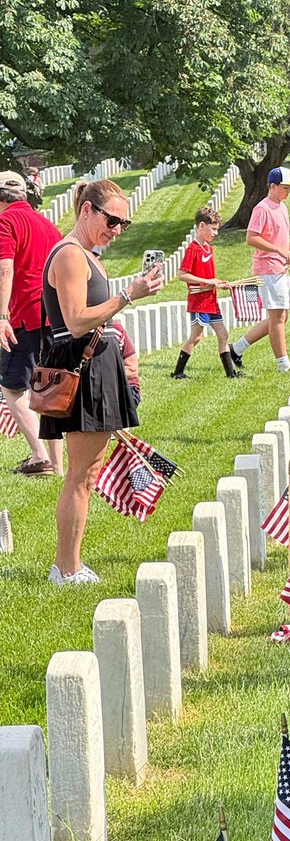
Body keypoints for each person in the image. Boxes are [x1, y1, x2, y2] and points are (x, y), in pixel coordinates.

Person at [39, 178, 163, 585]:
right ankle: (66, 568)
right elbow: (75, 322)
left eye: (124, 224)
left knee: (88, 473)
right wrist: (129, 294)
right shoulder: (71, 255)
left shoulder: (87, 254)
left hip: (95, 366)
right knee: (79, 475)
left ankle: (71, 564)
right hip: (81, 367)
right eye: (112, 219)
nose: (117, 229)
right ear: (87, 210)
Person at [0, 170, 65, 475]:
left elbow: (5, 269)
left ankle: (41, 458)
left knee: (12, 388)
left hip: (25, 315)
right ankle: (58, 463)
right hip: (53, 315)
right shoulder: (47, 225)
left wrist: (2, 316)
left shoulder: (6, 221)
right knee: (47, 391)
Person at [229, 167, 290, 374]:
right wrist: (279, 250)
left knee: (280, 317)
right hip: (268, 268)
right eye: (285, 187)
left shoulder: (282, 208)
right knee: (278, 317)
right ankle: (283, 364)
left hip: (280, 267)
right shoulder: (262, 209)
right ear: (272, 186)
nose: (288, 191)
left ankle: (236, 349)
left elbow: (280, 238)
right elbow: (251, 238)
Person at [171, 208, 240, 379]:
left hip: (211, 301)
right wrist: (209, 282)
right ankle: (178, 372)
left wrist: (219, 283)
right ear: (202, 226)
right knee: (196, 337)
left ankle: (231, 374)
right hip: (199, 302)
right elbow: (182, 274)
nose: (216, 233)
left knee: (223, 334)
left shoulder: (209, 249)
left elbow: (209, 276)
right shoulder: (193, 249)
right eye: (213, 229)